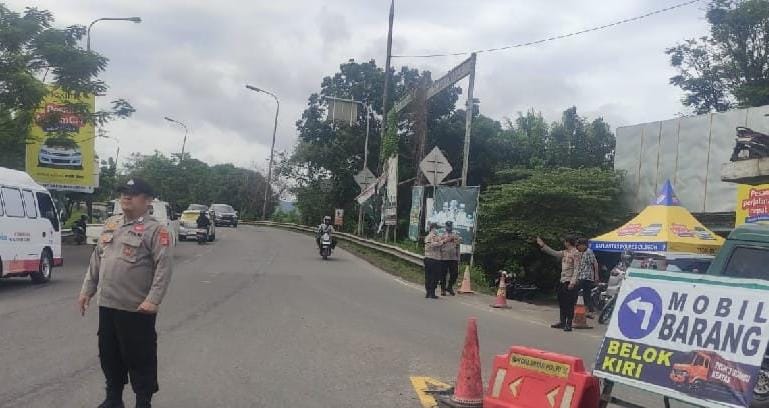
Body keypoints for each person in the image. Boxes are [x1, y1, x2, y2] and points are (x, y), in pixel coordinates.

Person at [78, 178, 174, 408]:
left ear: (148, 200)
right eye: (123, 192)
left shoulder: (156, 230)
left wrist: (153, 300)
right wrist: (87, 290)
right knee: (109, 354)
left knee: (140, 357)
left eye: (134, 193)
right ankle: (113, 399)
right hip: (108, 305)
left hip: (137, 308)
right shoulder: (111, 224)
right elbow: (97, 259)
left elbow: (164, 267)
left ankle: (143, 401)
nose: (126, 197)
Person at [536, 236, 579, 332]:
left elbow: (577, 269)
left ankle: (569, 323)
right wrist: (543, 245)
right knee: (562, 302)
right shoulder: (564, 253)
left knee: (569, 304)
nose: (564, 243)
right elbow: (554, 253)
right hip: (563, 280)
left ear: (568, 242)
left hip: (570, 281)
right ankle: (562, 322)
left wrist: (573, 282)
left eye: (565, 242)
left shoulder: (576, 253)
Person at [575, 238, 599, 319]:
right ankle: (589, 311)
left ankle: (589, 311)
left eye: (579, 246)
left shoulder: (589, 252)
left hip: (587, 276)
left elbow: (595, 263)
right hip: (581, 275)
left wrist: (596, 275)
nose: (578, 247)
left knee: (577, 289)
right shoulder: (580, 253)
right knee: (586, 295)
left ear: (584, 245)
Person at [438, 221, 461, 296]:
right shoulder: (442, 236)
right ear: (445, 227)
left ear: (452, 227)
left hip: (453, 258)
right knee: (443, 274)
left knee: (455, 273)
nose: (449, 228)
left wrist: (458, 258)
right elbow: (438, 246)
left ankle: (450, 287)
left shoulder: (456, 236)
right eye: (448, 226)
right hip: (444, 257)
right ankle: (443, 289)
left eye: (450, 226)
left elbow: (458, 247)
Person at [423, 223, 443, 299]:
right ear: (433, 228)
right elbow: (432, 245)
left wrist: (441, 242)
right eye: (436, 228)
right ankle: (429, 292)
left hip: (437, 258)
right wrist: (441, 242)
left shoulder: (438, 237)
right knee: (429, 276)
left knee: (436, 277)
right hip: (430, 258)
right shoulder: (429, 236)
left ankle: (432, 292)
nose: (437, 230)